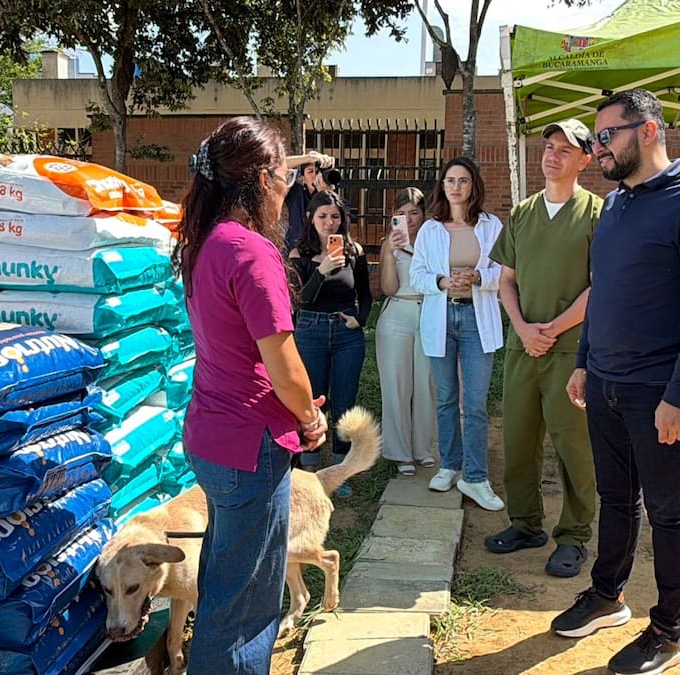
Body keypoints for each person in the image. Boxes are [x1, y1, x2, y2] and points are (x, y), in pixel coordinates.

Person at [555, 89, 680, 675]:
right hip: (604, 381)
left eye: (607, 136)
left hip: (657, 393)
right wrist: (583, 359)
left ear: (650, 131)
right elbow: (602, 290)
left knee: (668, 511)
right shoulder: (616, 206)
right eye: (596, 139)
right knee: (614, 497)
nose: (597, 147)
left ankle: (669, 629)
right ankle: (608, 596)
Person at [175, 116, 328, 674]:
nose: (289, 186)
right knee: (246, 608)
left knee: (225, 583)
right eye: (285, 175)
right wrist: (310, 417)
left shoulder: (205, 243)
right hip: (250, 444)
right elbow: (284, 367)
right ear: (263, 179)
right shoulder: (249, 250)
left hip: (213, 437)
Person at [484, 119, 602, 578]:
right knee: (518, 439)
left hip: (570, 351)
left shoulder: (597, 214)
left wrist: (551, 328)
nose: (552, 156)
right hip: (522, 347)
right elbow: (505, 279)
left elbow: (601, 286)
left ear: (585, 161)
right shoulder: (523, 213)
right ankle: (525, 523)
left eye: (565, 150)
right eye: (548, 147)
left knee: (574, 445)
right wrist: (522, 327)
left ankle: (574, 536)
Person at [410, 157, 505, 511]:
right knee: (447, 398)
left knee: (476, 403)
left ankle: (476, 477)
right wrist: (442, 281)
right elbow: (417, 275)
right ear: (443, 186)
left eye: (463, 180)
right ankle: (450, 465)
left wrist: (480, 278)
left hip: (477, 320)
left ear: (473, 185)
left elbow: (506, 272)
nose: (456, 187)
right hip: (441, 317)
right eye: (450, 180)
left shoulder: (491, 226)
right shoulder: (431, 229)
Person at [289, 190, 372, 497]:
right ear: (310, 218)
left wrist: (359, 320)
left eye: (335, 216)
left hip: (346, 332)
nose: (329, 222)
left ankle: (340, 470)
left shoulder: (354, 251)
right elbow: (299, 300)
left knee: (345, 398)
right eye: (322, 216)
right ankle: (309, 468)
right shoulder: (298, 255)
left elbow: (365, 295)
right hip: (310, 331)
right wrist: (321, 271)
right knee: (311, 399)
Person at [376, 187, 437, 475]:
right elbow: (388, 287)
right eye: (402, 214)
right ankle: (400, 452)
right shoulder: (390, 244)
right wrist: (389, 250)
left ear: (424, 215)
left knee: (427, 385)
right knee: (396, 385)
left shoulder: (434, 241)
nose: (409, 219)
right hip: (397, 313)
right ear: (393, 216)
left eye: (415, 212)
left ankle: (423, 448)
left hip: (428, 314)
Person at [283, 151, 334, 251]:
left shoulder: (335, 201)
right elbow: (278, 166)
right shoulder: (296, 193)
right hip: (295, 251)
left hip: (320, 254)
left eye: (318, 172)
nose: (315, 176)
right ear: (303, 178)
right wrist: (308, 158)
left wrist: (324, 196)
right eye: (310, 172)